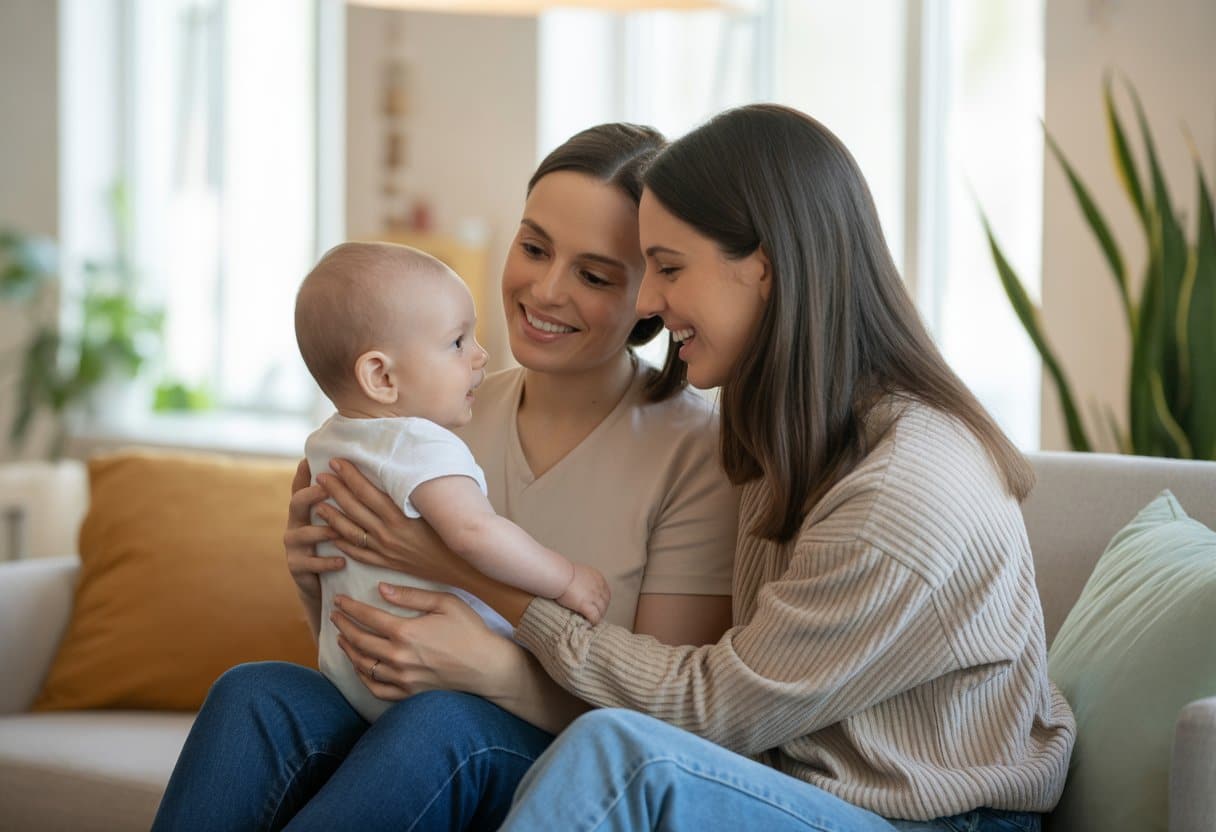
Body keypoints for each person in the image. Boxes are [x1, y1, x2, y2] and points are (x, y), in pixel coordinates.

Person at [313, 104, 1076, 832]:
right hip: (803, 784)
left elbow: (712, 709)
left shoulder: (897, 492)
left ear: (767, 270)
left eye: (667, 268)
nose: (650, 300)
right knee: (268, 696)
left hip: (931, 819)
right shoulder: (795, 429)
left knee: (617, 759)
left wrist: (486, 586)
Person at [150, 122, 739, 831]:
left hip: (548, 751)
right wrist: (317, 574)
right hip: (406, 725)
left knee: (441, 723)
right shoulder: (426, 416)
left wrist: (494, 671)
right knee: (255, 693)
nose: (546, 290)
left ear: (650, 294)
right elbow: (359, 626)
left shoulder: (695, 451)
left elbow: (667, 721)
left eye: (593, 274)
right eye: (533, 248)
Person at [294, 241, 610, 723]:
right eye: (457, 341)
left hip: (350, 676)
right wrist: (566, 578)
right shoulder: (421, 443)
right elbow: (474, 533)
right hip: (432, 685)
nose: (480, 356)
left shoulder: (325, 443)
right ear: (381, 376)